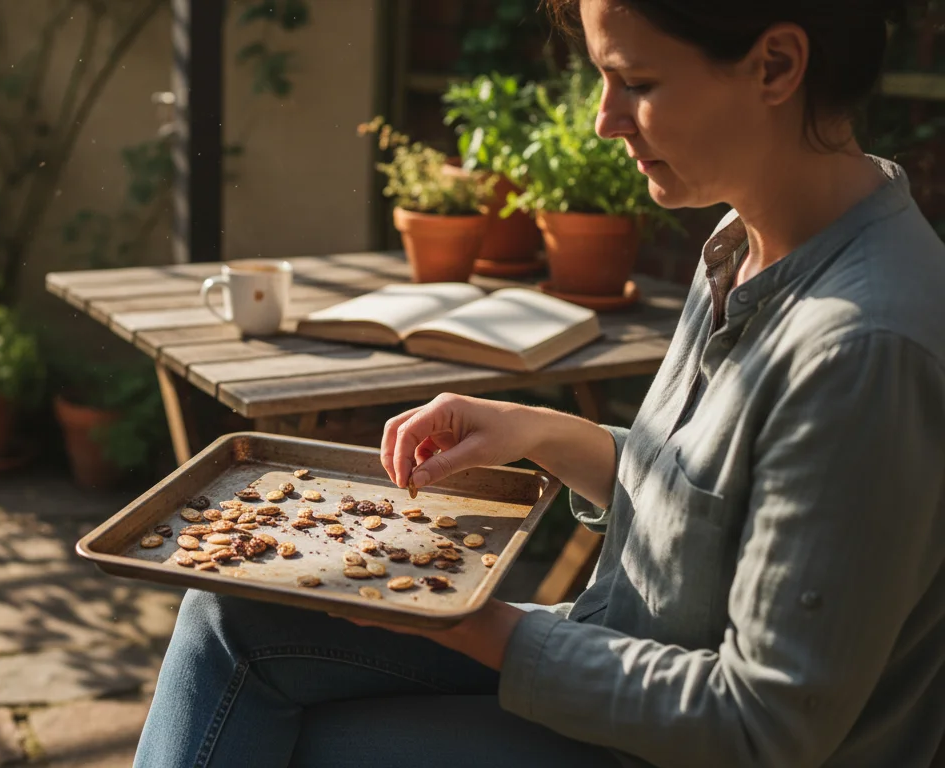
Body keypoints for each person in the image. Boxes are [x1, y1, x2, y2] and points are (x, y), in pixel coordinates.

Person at [135, 0, 945, 765]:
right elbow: (717, 509)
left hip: (672, 741)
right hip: (620, 646)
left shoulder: (861, 351)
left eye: (638, 82)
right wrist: (541, 432)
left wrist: (467, 620)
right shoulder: (749, 239)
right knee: (227, 618)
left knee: (289, 747)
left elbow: (761, 727)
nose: (605, 119)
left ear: (775, 64)